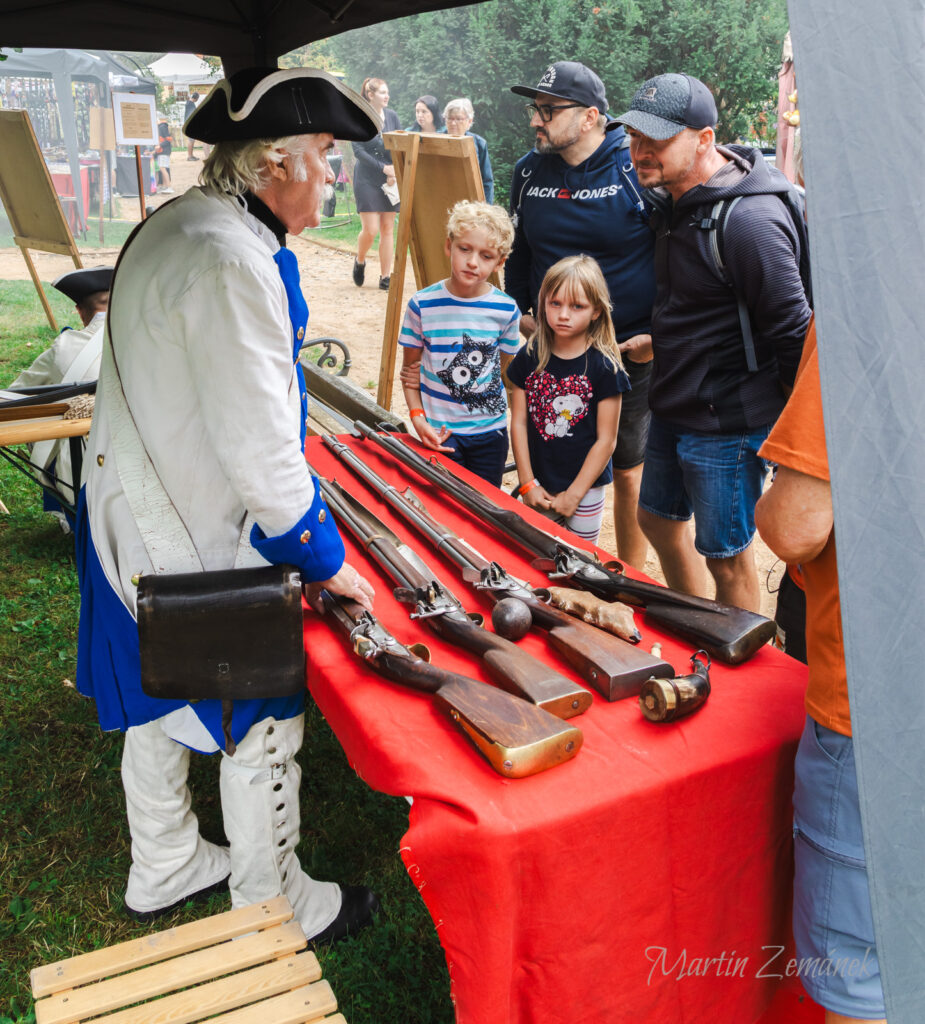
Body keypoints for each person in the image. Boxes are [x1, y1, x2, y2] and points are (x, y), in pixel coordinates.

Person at [75, 67, 380, 945]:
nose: (331, 173)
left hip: (137, 504)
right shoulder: (227, 256)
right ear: (273, 162)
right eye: (323, 154)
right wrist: (324, 563)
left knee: (159, 689)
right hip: (190, 525)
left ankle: (166, 860)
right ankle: (273, 900)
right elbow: (259, 450)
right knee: (261, 715)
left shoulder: (183, 224)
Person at [614, 73, 811, 611]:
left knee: (726, 556)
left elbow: (795, 331)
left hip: (728, 419)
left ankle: (740, 653)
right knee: (655, 519)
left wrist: (797, 446)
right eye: (634, 137)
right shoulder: (674, 198)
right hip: (675, 400)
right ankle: (696, 623)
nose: (640, 151)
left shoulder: (749, 221)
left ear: (705, 139)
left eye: (656, 139)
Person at [755, 320, 886, 1024]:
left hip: (876, 701)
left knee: (859, 987)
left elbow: (797, 524)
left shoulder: (864, 305)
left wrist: (771, 502)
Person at [506, 61, 655, 569]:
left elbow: (674, 252)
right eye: (536, 109)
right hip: (550, 346)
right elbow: (519, 253)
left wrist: (657, 332)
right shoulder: (529, 171)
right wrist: (522, 315)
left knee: (627, 466)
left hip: (624, 352)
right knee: (550, 442)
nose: (536, 120)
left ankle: (630, 580)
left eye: (548, 110)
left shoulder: (633, 168)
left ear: (591, 116)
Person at [507, 255, 628, 544]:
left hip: (586, 489)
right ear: (543, 303)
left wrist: (575, 495)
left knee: (581, 562)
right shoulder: (529, 356)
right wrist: (526, 484)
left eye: (577, 306)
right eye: (555, 303)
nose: (563, 314)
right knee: (539, 558)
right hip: (538, 486)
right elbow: (519, 423)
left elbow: (606, 440)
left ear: (596, 311)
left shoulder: (605, 367)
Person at [398, 200, 518, 487]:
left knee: (485, 507)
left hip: (491, 435)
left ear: (499, 262)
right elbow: (410, 373)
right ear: (448, 246)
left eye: (486, 255)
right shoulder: (421, 306)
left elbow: (502, 370)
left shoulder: (506, 311)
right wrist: (418, 419)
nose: (473, 262)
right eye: (465, 249)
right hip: (440, 433)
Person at [8, 267, 112, 522]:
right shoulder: (151, 339)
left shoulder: (65, 345)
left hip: (83, 475)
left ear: (80, 311)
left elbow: (16, 394)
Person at [351, 77, 401, 291]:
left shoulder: (392, 117)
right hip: (366, 178)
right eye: (382, 92)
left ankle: (385, 277)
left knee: (388, 228)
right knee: (371, 229)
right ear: (370, 95)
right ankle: (360, 260)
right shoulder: (359, 118)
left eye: (387, 92)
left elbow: (400, 145)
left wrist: (394, 172)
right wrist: (383, 168)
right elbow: (358, 152)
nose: (386, 96)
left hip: (390, 178)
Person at [441, 98, 493, 203]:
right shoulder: (433, 139)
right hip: (440, 198)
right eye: (450, 118)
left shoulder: (479, 143)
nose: (453, 123)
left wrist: (486, 209)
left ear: (469, 121)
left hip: (469, 203)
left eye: (459, 119)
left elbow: (487, 182)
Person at [155, 114, 173, 194]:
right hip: (161, 151)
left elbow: (168, 139)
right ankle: (165, 186)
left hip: (164, 151)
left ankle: (169, 187)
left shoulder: (162, 127)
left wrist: (160, 145)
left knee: (162, 168)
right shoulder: (160, 127)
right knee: (162, 168)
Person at [185, 91, 200, 160]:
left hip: (189, 124)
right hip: (189, 125)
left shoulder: (189, 103)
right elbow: (192, 115)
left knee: (192, 140)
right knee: (191, 140)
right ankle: (189, 156)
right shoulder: (190, 104)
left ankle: (191, 155)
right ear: (196, 98)